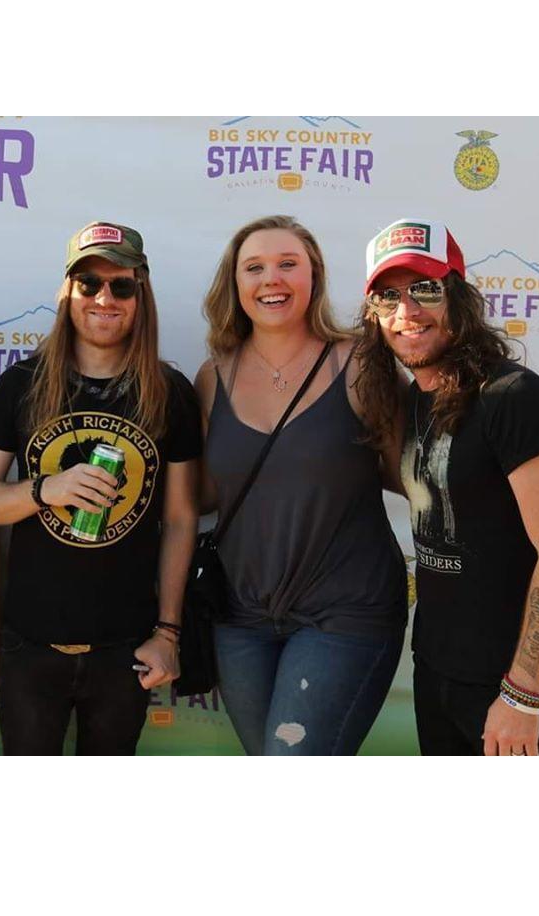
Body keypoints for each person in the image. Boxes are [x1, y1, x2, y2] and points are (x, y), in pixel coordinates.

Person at [0, 221, 200, 755]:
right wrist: (47, 488)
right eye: (88, 283)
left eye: (122, 285)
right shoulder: (21, 385)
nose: (104, 298)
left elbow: (182, 519)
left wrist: (167, 634)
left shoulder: (170, 392)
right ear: (67, 294)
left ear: (141, 295)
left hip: (127, 649)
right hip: (29, 646)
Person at [195, 215, 407, 756]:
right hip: (239, 621)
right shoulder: (210, 377)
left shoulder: (360, 362)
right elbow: (201, 497)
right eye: (255, 267)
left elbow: (413, 474)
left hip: (345, 614)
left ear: (313, 277)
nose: (272, 279)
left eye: (288, 264)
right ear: (234, 283)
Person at [355, 218, 539, 756]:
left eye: (426, 289)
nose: (407, 313)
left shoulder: (513, 397)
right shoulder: (413, 401)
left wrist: (523, 694)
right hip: (437, 673)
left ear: (460, 298)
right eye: (388, 297)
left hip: (517, 690)